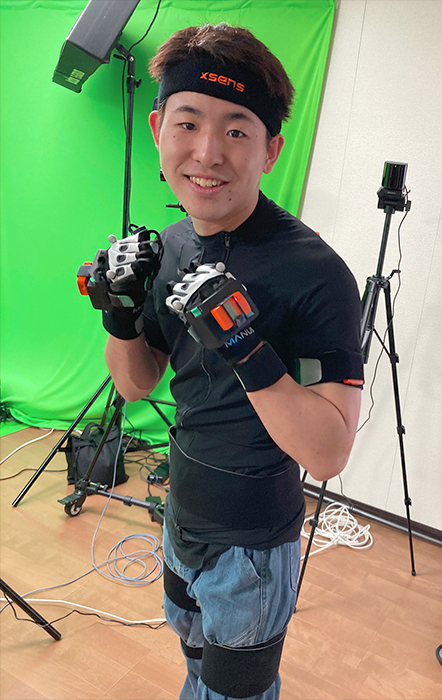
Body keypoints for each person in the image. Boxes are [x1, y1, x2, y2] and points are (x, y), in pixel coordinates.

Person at [100, 23, 364, 700]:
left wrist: (246, 346)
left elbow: (329, 452)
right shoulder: (171, 246)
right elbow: (136, 385)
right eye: (188, 123)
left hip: (252, 546)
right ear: (158, 129)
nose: (208, 152)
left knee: (235, 691)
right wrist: (121, 315)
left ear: (271, 149)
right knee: (195, 664)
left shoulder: (316, 274)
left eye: (237, 130)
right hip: (180, 515)